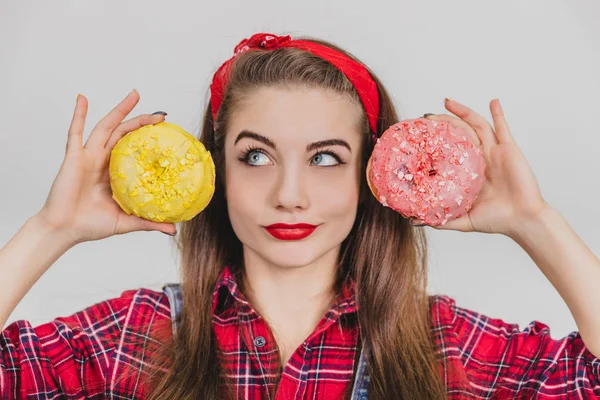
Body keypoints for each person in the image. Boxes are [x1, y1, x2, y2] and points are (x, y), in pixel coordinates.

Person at [0, 32, 599, 400]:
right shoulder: (141, 334)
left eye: (325, 158)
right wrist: (51, 230)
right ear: (216, 173)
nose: (290, 195)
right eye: (256, 156)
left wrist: (534, 220)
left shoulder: (443, 346)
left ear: (372, 176)